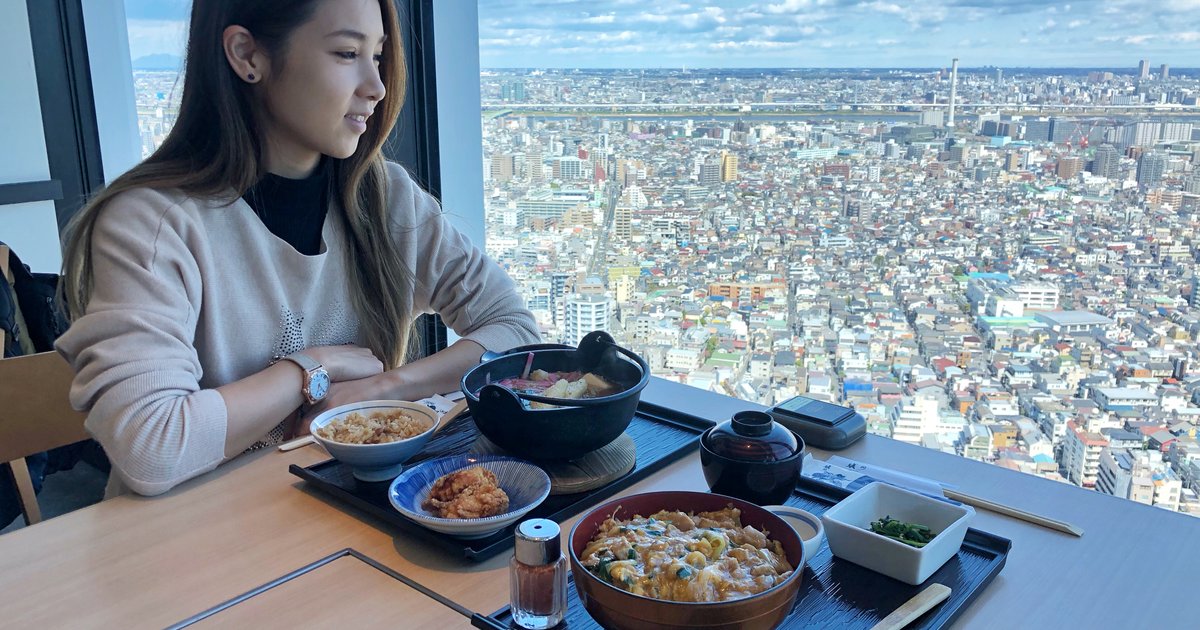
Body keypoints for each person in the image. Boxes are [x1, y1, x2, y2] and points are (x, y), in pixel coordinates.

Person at [54, 0, 539, 497]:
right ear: (247, 55)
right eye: (347, 53)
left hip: (337, 513)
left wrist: (385, 388)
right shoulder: (151, 225)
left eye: (378, 56)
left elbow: (515, 331)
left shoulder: (386, 199)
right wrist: (310, 371)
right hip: (191, 542)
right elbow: (150, 446)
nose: (376, 87)